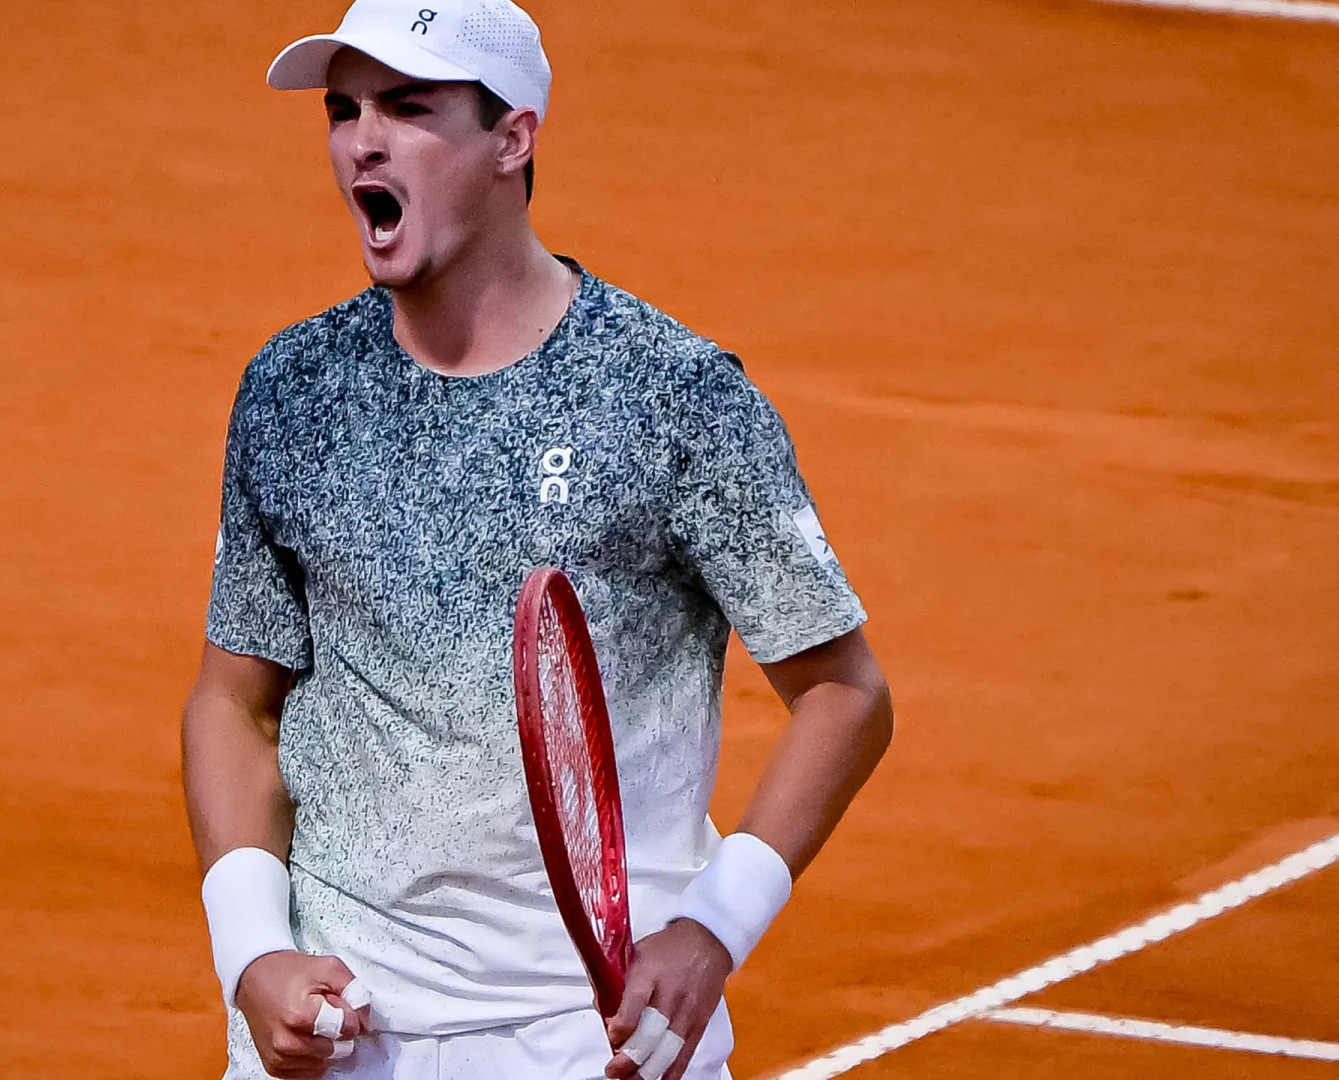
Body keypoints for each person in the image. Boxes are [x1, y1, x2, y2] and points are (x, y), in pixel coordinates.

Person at [180, 1, 894, 1077]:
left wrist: (714, 930)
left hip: (588, 1035)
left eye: (407, 107)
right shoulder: (294, 388)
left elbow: (844, 692)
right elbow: (233, 700)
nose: (362, 140)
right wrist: (251, 952)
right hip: (337, 1025)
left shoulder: (670, 396)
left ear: (513, 137)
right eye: (343, 110)